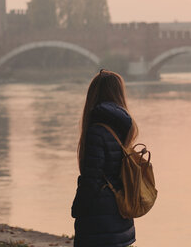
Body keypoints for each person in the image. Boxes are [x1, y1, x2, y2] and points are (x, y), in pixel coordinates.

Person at [71, 69, 137, 247]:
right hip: (121, 214)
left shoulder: (96, 131)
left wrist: (77, 209)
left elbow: (91, 179)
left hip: (98, 220)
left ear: (93, 95)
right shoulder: (124, 128)